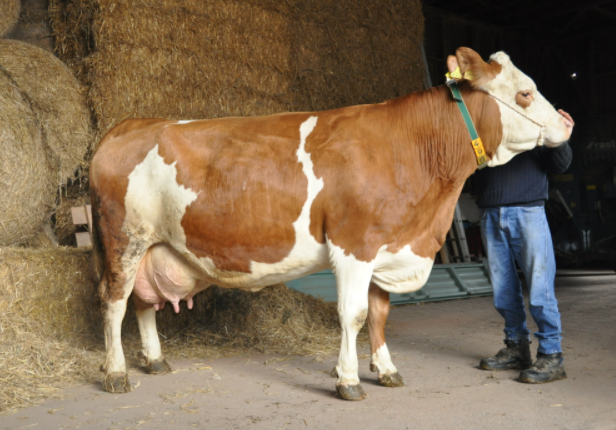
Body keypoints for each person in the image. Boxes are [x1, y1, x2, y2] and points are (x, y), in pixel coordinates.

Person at [476, 109, 574, 384]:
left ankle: (552, 356)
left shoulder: (536, 120)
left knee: (540, 289)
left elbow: (561, 165)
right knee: (503, 290)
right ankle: (517, 348)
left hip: (528, 211)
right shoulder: (487, 123)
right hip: (491, 213)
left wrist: (562, 137)